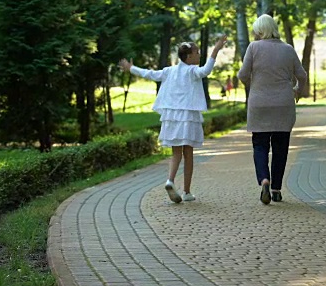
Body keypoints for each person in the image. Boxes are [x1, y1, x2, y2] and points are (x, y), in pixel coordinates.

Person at [119, 35, 227, 203]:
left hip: (172, 117)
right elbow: (206, 70)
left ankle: (170, 180)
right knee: (188, 154)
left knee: (176, 153)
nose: (199, 55)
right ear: (189, 56)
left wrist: (131, 68)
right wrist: (216, 49)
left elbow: (150, 74)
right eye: (197, 52)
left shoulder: (169, 71)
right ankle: (187, 192)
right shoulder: (192, 71)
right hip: (188, 116)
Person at [238, 14, 307, 205]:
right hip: (283, 104)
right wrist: (297, 92)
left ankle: (264, 180)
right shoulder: (288, 49)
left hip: (259, 103)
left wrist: (253, 82)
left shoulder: (253, 48)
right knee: (280, 148)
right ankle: (276, 189)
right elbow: (302, 75)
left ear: (260, 30)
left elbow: (243, 75)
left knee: (260, 145)